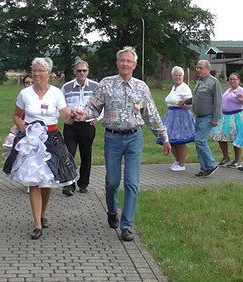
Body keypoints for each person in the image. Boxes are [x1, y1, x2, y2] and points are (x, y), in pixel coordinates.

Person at [72, 46, 171, 242]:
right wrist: (84, 114)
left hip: (135, 137)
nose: (125, 64)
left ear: (134, 65)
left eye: (129, 61)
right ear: (117, 63)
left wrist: (163, 136)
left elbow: (150, 114)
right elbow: (93, 107)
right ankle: (111, 210)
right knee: (112, 182)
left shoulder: (142, 88)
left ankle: (127, 226)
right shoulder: (106, 84)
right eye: (122, 60)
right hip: (113, 137)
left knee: (132, 182)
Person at [3, 57, 78, 240]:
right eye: (34, 70)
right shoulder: (25, 94)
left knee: (47, 180)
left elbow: (65, 117)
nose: (36, 74)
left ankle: (43, 213)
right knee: (33, 180)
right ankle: (37, 223)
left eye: (40, 71)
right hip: (31, 141)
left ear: (49, 74)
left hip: (51, 138)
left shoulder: (56, 93)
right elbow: (16, 115)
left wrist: (73, 116)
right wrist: (22, 127)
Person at [61, 59, 101, 196]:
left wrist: (98, 118)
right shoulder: (66, 87)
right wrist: (68, 115)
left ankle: (83, 183)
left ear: (88, 71)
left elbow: (104, 104)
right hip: (71, 125)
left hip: (87, 125)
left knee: (86, 155)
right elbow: (61, 106)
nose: (82, 73)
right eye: (79, 71)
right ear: (74, 72)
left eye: (84, 70)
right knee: (69, 154)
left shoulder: (96, 86)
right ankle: (69, 184)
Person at [179, 59, 222, 177]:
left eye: (201, 68)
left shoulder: (214, 82)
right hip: (198, 116)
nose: (198, 70)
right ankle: (204, 168)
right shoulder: (199, 82)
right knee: (198, 143)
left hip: (208, 117)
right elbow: (196, 97)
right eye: (197, 68)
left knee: (200, 140)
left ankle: (212, 164)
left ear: (208, 69)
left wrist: (216, 118)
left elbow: (218, 101)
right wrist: (186, 101)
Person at [157, 66, 195, 171]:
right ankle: (178, 160)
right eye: (175, 75)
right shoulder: (174, 87)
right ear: (172, 76)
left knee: (180, 140)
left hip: (181, 116)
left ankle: (182, 164)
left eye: (179, 75)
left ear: (183, 76)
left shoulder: (185, 88)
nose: (177, 77)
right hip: (171, 115)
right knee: (169, 139)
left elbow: (191, 103)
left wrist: (184, 105)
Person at [2, 74, 34, 193]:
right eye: (27, 82)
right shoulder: (20, 98)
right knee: (24, 155)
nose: (29, 85)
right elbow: (17, 115)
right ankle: (29, 181)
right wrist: (18, 126)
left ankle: (35, 181)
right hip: (23, 128)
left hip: (36, 128)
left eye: (32, 82)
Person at [211, 72, 243, 168]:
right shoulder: (228, 90)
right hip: (225, 116)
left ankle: (237, 160)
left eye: (234, 79)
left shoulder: (241, 91)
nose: (232, 81)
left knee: (235, 138)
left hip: (236, 116)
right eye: (230, 79)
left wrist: (241, 99)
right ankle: (226, 157)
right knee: (221, 137)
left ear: (239, 80)